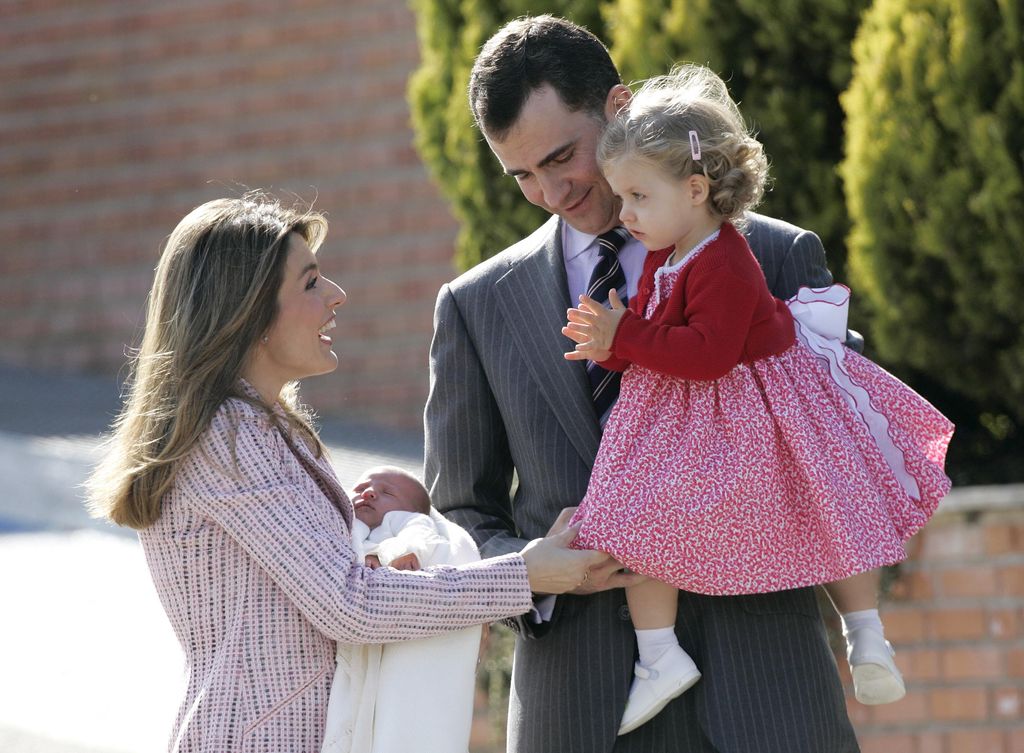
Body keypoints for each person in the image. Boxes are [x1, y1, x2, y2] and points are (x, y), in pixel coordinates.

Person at [425, 14, 863, 753]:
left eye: (563, 156)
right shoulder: (474, 306)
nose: (551, 191)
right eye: (523, 174)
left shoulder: (776, 255)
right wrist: (533, 574)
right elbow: (460, 516)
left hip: (771, 695)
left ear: (619, 107)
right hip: (582, 710)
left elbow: (843, 446)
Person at [85, 193, 608, 753]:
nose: (336, 296)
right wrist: (525, 576)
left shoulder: (262, 427)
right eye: (310, 283)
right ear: (247, 311)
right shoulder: (233, 436)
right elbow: (348, 604)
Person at [561, 64, 953, 735]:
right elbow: (663, 336)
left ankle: (866, 632)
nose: (623, 214)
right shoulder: (667, 250)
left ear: (695, 187)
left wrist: (628, 332)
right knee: (636, 519)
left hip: (755, 406)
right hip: (689, 411)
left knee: (836, 498)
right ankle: (660, 654)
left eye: (637, 196)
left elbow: (708, 354)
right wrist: (614, 346)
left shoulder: (725, 259)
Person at [322, 464, 486, 753]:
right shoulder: (345, 522)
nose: (369, 493)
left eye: (387, 492)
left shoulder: (405, 522)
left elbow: (420, 536)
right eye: (360, 488)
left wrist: (391, 555)